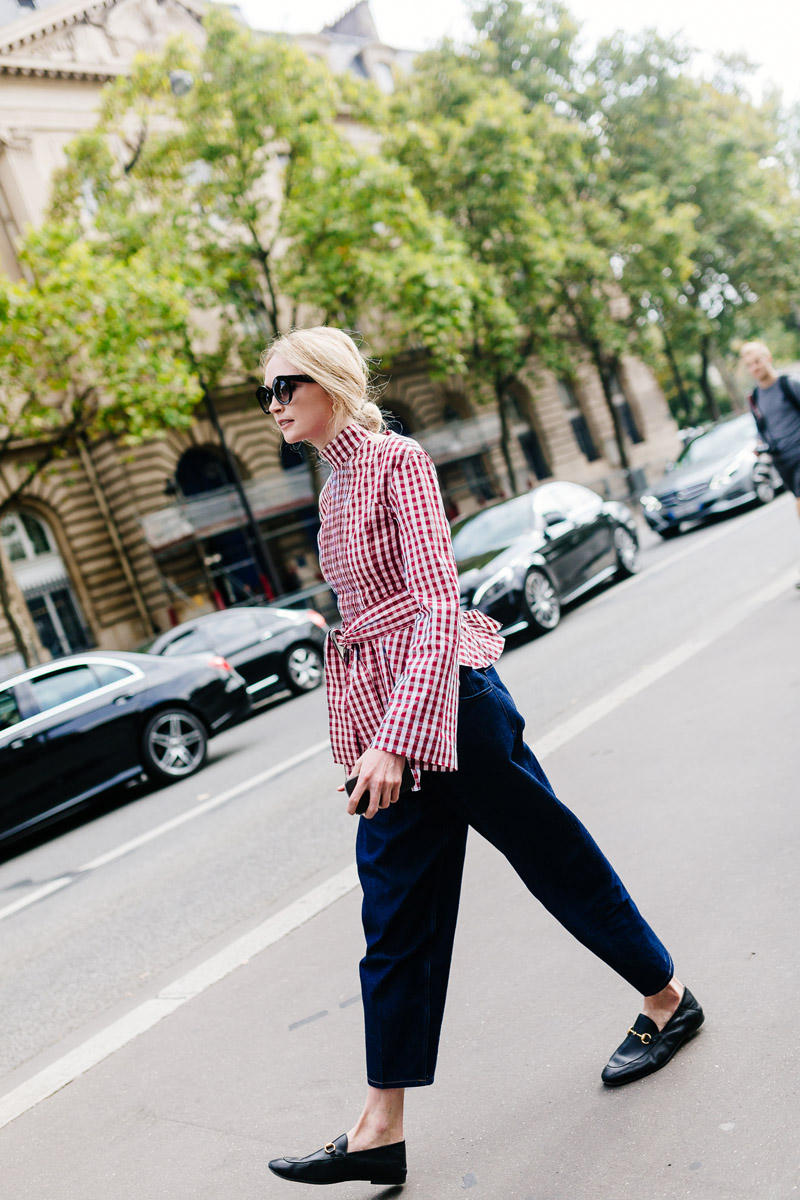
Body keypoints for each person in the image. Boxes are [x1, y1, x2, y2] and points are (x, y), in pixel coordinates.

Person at [261, 327, 703, 1189]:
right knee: (391, 918)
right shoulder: (334, 486)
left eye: (285, 386)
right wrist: (368, 737)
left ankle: (668, 1000)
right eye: (266, 393)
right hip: (390, 722)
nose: (274, 404)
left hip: (452, 713)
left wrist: (394, 738)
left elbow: (432, 604)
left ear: (330, 382)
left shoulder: (399, 462)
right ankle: (379, 1128)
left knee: (553, 860)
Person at [740, 340, 800, 588]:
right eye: (750, 365)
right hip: (782, 463)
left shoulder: (788, 384)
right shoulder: (754, 397)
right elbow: (762, 430)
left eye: (758, 361)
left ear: (768, 359)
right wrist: (760, 447)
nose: (755, 367)